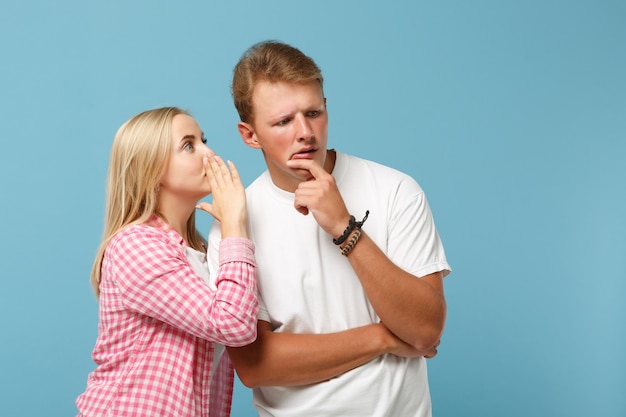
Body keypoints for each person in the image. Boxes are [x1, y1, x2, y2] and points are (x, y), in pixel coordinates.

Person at [207, 41, 452, 416]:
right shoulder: (234, 225)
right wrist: (382, 338)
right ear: (250, 135)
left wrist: (344, 226)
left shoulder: (396, 190)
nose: (305, 132)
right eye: (283, 121)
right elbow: (255, 365)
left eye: (313, 112)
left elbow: (424, 330)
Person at [75, 107, 258, 417]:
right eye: (189, 145)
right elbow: (234, 323)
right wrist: (235, 226)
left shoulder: (203, 250)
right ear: (152, 170)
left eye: (203, 140)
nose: (209, 153)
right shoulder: (136, 246)